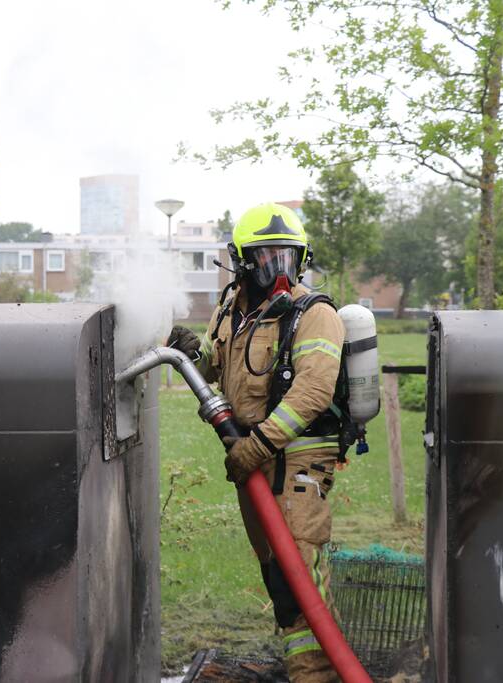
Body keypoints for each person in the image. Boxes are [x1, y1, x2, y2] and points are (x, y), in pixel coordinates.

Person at [168, 202, 345, 683]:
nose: (277, 268)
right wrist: (190, 352)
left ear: (302, 260)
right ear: (242, 261)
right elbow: (213, 366)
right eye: (266, 257)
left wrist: (257, 446)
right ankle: (302, 667)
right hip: (251, 458)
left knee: (298, 578)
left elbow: (313, 392)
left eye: (287, 257)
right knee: (277, 574)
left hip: (296, 459)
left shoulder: (314, 313)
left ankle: (318, 676)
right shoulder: (231, 311)